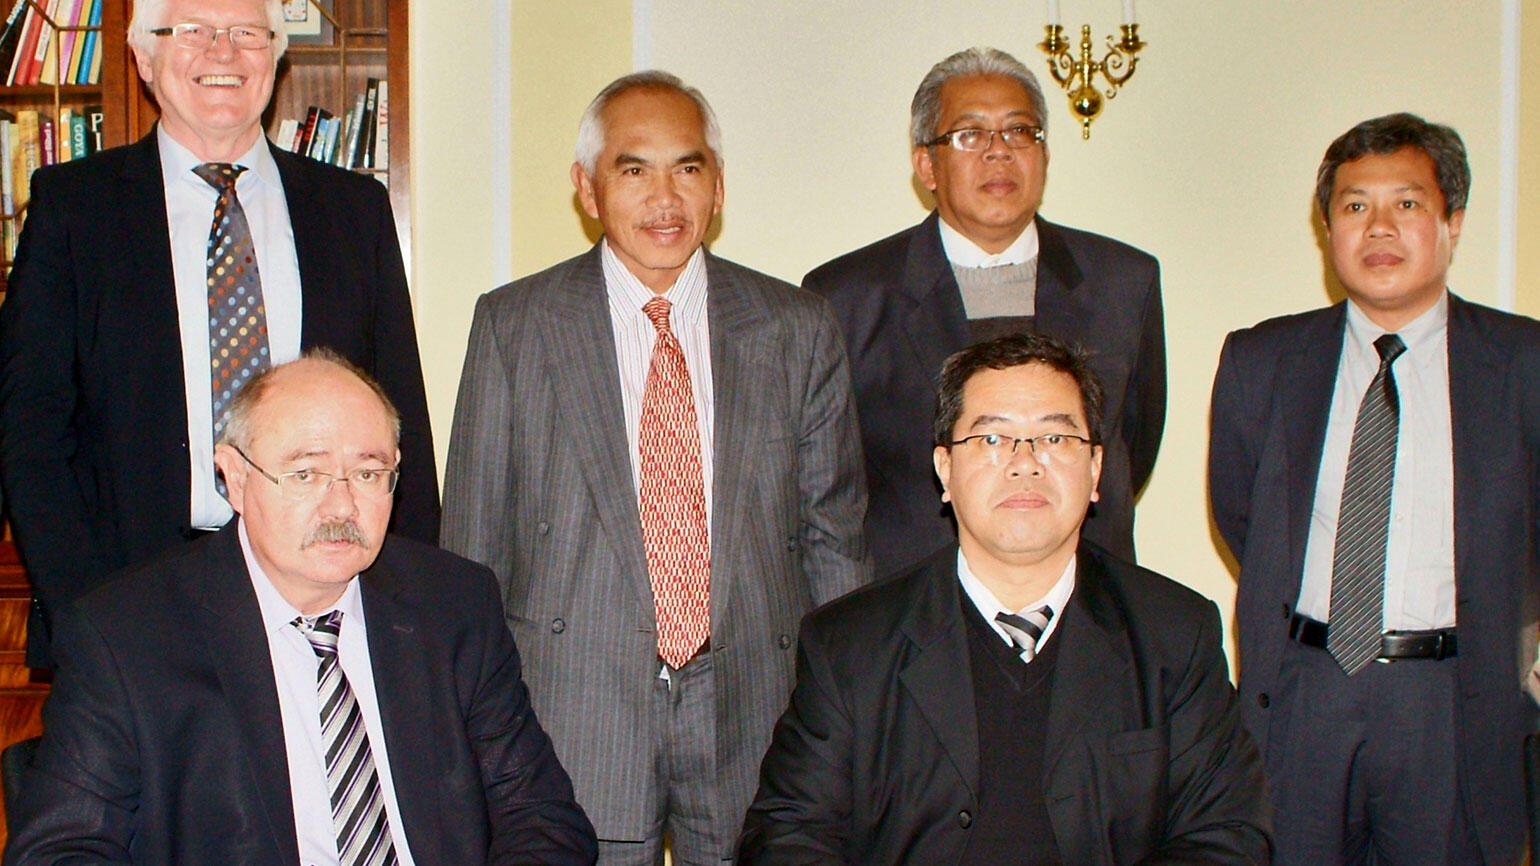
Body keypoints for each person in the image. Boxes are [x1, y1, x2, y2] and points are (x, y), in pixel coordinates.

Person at [439, 71, 872, 865]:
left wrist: (848, 721)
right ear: (588, 189)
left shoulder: (796, 329)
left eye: (689, 167)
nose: (664, 197)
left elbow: (832, 543)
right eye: (634, 170)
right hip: (570, 710)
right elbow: (472, 552)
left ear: (717, 186)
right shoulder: (513, 326)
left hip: (755, 712)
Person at [3, 351, 596, 865]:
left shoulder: (453, 604)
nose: (342, 505)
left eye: (368, 473)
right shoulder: (126, 634)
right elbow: (61, 850)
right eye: (306, 472)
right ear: (234, 478)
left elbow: (543, 818)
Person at [0, 0, 439, 669]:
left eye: (247, 34)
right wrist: (89, 610)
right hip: (132, 601)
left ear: (277, 55)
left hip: (326, 595)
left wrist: (401, 604)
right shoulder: (73, 208)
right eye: (193, 32)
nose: (223, 53)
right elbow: (30, 433)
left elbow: (399, 418)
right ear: (144, 58)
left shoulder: (353, 210)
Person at [740, 333, 1268, 864]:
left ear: (1096, 471)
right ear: (945, 469)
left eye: (1055, 440)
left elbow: (1226, 837)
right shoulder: (851, 644)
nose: (1025, 463)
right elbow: (788, 838)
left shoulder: (1174, 635)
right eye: (992, 440)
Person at [1209, 112, 1539, 864]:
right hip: (1303, 694)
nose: (1379, 227)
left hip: (1453, 702)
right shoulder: (1263, 360)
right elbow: (1246, 518)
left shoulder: (1522, 362)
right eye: (1355, 206)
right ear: (1327, 230)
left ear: (1453, 222)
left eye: (1407, 204)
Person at [803, 46, 1164, 579]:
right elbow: (828, 486)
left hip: (1087, 603)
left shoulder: (1123, 281)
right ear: (927, 163)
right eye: (970, 135)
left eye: (1020, 132)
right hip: (912, 609)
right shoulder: (845, 296)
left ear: (1044, 155)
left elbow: (1133, 442)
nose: (999, 152)